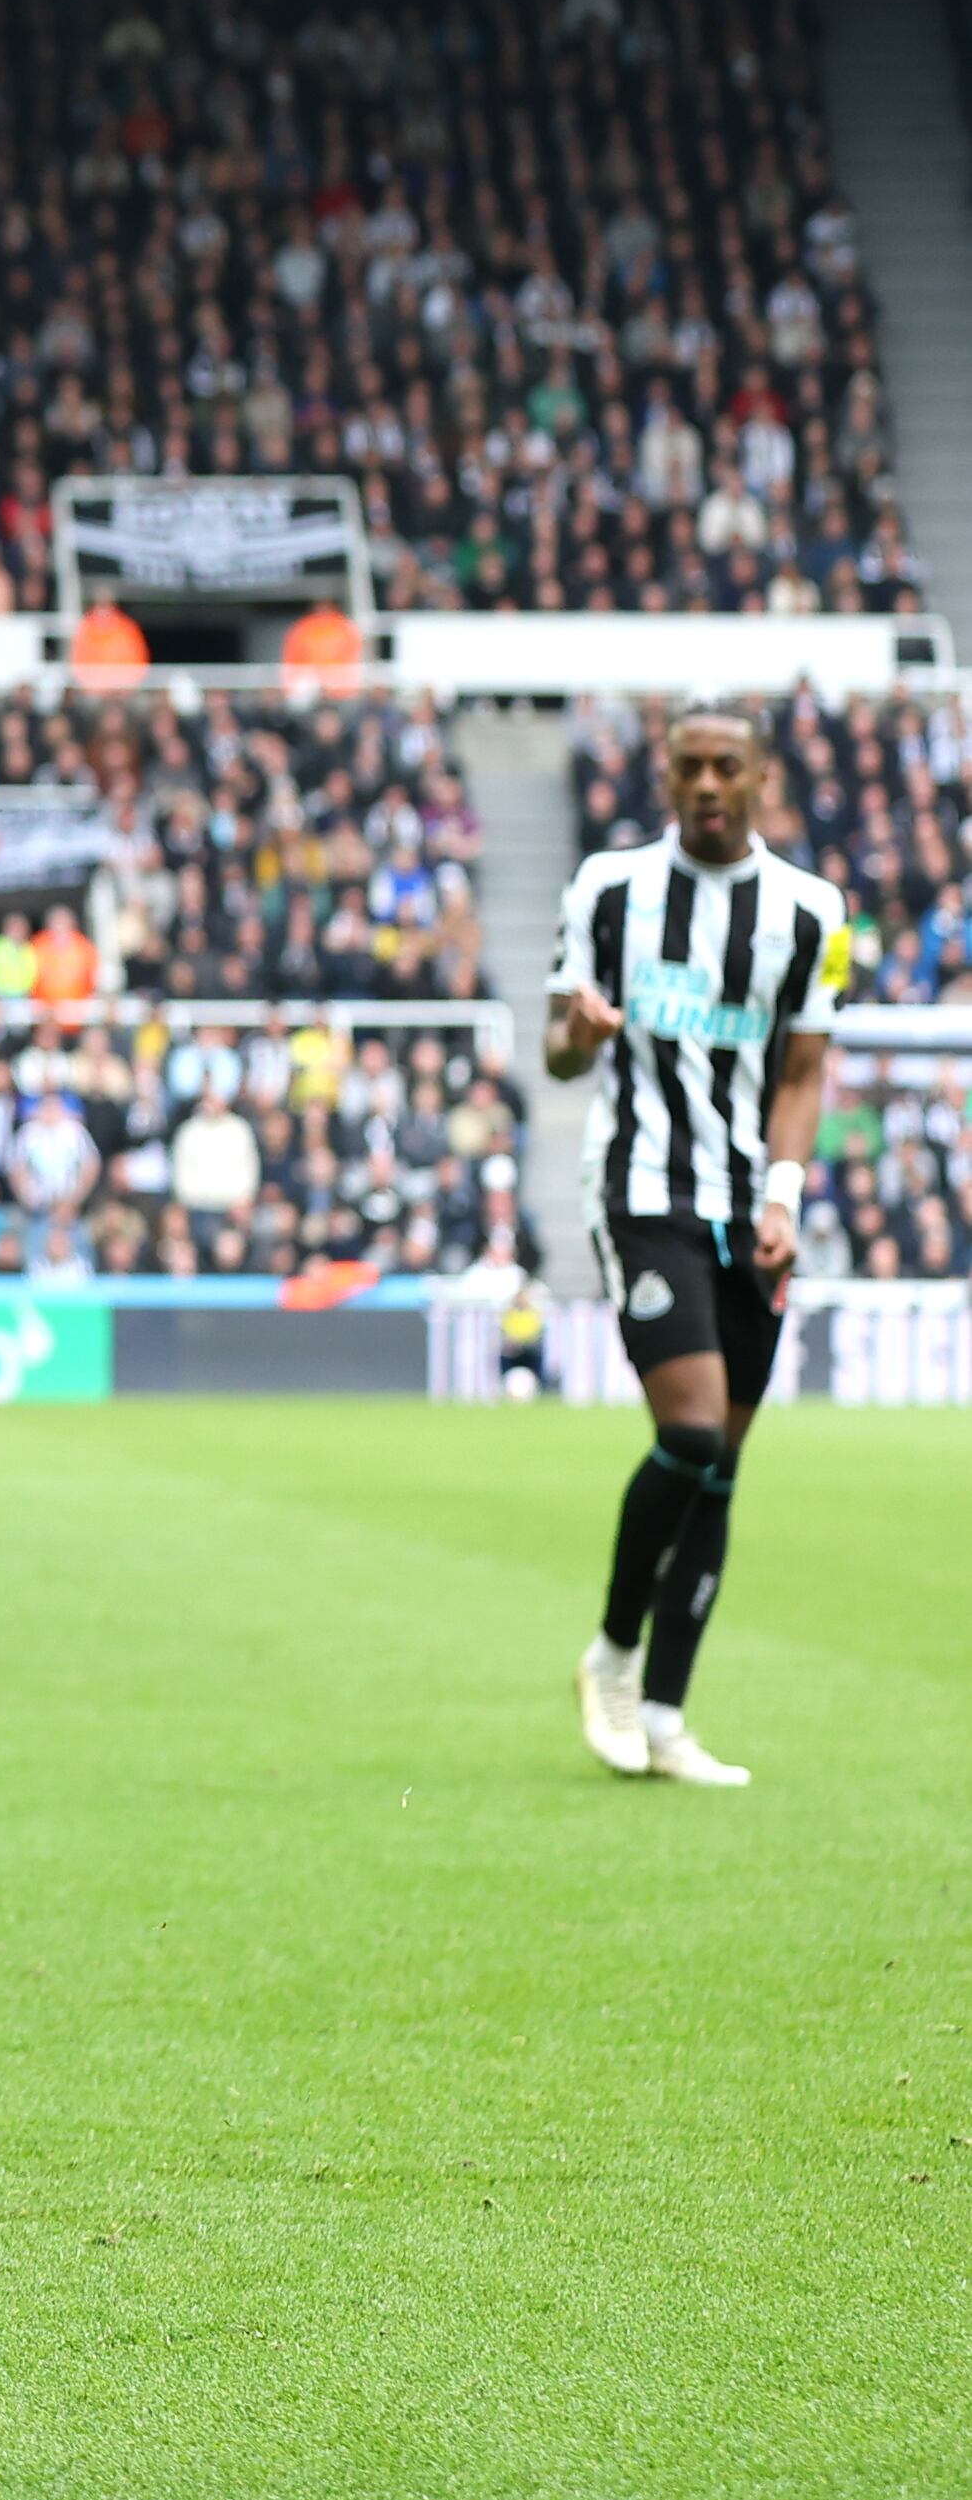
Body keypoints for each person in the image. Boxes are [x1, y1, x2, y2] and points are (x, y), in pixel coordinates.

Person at [546, 701, 844, 1787]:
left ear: (763, 778)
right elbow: (560, 1054)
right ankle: (612, 1653)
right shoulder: (607, 889)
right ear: (665, 779)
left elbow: (804, 1070)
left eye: (728, 766)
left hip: (747, 1206)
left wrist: (785, 1194)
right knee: (694, 1431)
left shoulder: (813, 911)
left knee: (721, 1474)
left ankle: (665, 1719)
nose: (708, 783)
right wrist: (577, 1034)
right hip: (641, 1187)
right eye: (690, 767)